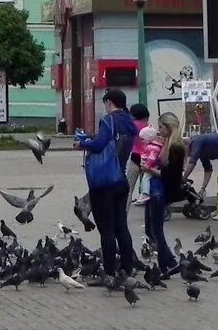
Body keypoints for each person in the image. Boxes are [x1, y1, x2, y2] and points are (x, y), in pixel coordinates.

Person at [75, 88, 138, 278]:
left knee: (106, 229)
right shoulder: (130, 122)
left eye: (105, 103)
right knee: (121, 227)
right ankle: (127, 269)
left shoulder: (109, 120)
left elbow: (100, 143)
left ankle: (110, 273)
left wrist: (83, 142)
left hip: (104, 184)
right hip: (121, 180)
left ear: (109, 102)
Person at [139, 127, 182, 276]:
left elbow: (168, 174)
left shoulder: (173, 148)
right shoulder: (161, 146)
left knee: (156, 232)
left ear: (169, 129)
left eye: (162, 127)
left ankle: (169, 264)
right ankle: (168, 265)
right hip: (153, 193)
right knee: (151, 232)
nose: (158, 130)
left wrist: (148, 169)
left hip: (157, 193)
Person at [126, 104, 151, 206]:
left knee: (129, 189)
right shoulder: (148, 126)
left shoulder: (131, 125)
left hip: (135, 157)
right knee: (148, 183)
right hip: (148, 158)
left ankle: (124, 211)